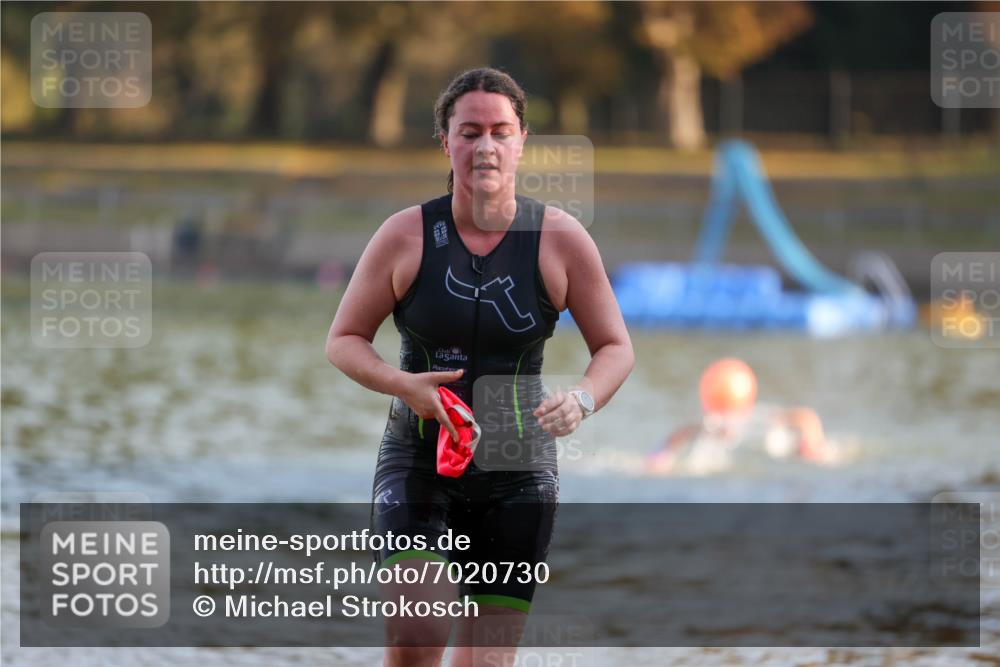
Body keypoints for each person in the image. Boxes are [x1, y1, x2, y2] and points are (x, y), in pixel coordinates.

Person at [325, 67, 634, 667]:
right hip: (419, 459)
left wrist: (583, 399)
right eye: (469, 132)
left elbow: (615, 347)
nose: (485, 146)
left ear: (522, 141)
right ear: (446, 141)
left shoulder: (561, 239)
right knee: (418, 630)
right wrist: (400, 384)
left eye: (500, 131)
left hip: (518, 472)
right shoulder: (406, 235)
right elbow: (344, 339)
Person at [646, 358, 834, 474]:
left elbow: (805, 417)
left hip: (780, 454)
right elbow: (807, 416)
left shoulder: (760, 418)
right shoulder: (711, 425)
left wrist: (812, 444)